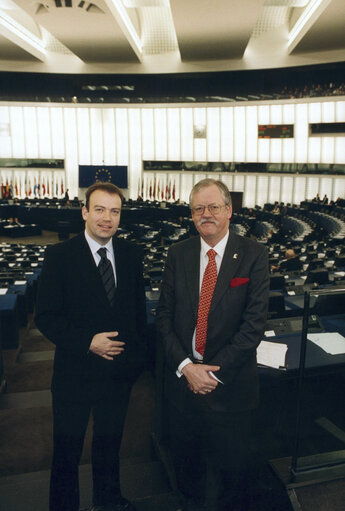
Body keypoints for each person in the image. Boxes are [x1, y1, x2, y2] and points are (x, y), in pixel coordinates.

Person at [156, 178, 269, 511]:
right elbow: (163, 317)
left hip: (230, 387)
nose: (206, 214)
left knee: (231, 476)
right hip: (183, 386)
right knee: (186, 468)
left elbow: (253, 327)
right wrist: (187, 368)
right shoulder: (178, 253)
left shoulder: (254, 254)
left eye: (213, 207)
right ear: (191, 215)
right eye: (198, 209)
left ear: (229, 211)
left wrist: (210, 374)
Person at [35, 182, 147, 511]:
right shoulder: (59, 256)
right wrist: (88, 342)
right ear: (85, 212)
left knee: (110, 446)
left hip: (117, 377)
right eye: (99, 209)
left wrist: (135, 364)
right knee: (67, 453)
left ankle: (108, 500)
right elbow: (46, 317)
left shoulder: (130, 254)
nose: (106, 218)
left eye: (114, 211)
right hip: (75, 376)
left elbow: (137, 314)